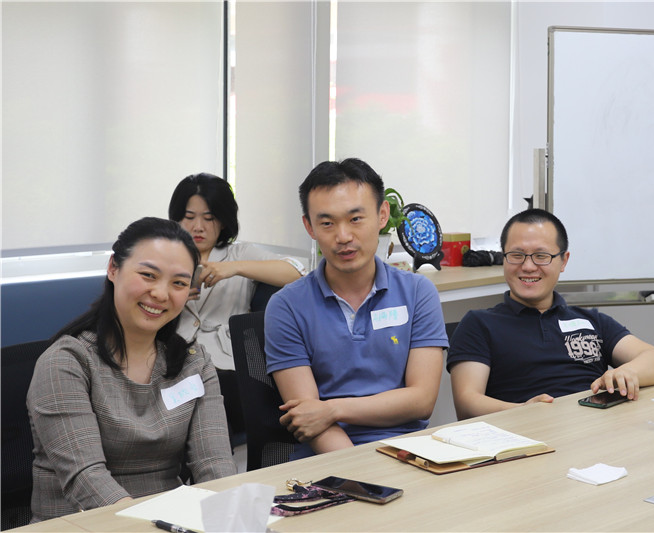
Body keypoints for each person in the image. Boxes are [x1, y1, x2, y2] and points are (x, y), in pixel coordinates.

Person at [27, 217, 236, 523]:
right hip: (82, 523)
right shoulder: (66, 362)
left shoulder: (193, 363)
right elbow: (87, 478)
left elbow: (214, 463)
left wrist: (232, 517)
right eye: (148, 275)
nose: (161, 294)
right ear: (113, 268)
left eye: (179, 283)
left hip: (171, 521)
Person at [264, 158, 449, 458]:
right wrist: (360, 475)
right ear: (309, 227)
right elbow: (309, 420)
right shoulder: (286, 306)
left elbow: (421, 400)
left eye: (355, 219)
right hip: (329, 458)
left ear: (382, 215)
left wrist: (332, 409)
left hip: (407, 453)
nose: (343, 237)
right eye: (327, 223)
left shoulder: (418, 293)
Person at [447, 208, 654, 420]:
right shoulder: (479, 324)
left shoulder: (591, 321)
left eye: (541, 256)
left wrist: (626, 372)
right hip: (523, 432)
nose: (528, 266)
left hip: (593, 428)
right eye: (516, 255)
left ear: (563, 261)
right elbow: (467, 403)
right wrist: (523, 411)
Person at [168, 173, 305, 442]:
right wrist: (173, 297)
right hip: (175, 356)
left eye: (209, 218)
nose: (198, 227)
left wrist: (234, 269)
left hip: (226, 361)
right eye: (189, 217)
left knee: (215, 388)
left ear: (223, 220)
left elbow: (297, 273)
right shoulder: (164, 255)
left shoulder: (239, 254)